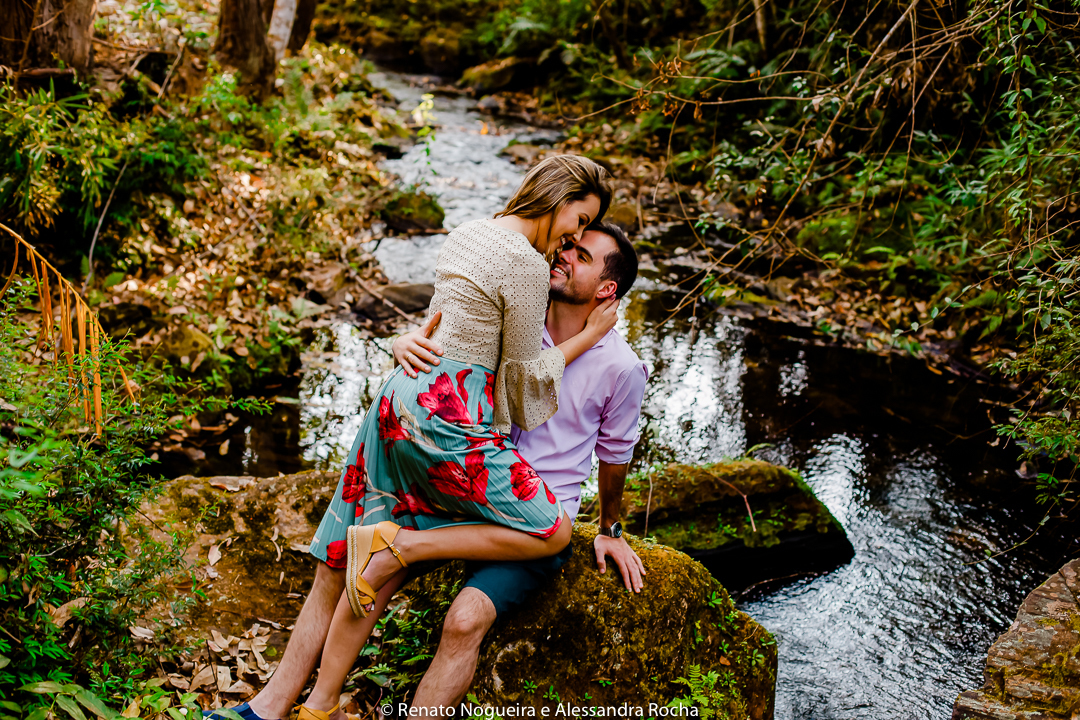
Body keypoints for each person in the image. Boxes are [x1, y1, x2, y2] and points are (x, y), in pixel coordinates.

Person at [208, 221, 647, 720]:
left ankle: (403, 546)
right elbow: (444, 339)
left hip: (529, 517)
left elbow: (615, 454)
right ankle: (315, 708)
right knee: (365, 574)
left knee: (463, 621)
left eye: (581, 256)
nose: (563, 254)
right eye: (566, 244)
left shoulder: (621, 367)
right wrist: (404, 340)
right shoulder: (520, 315)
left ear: (608, 289)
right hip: (465, 485)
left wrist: (611, 528)